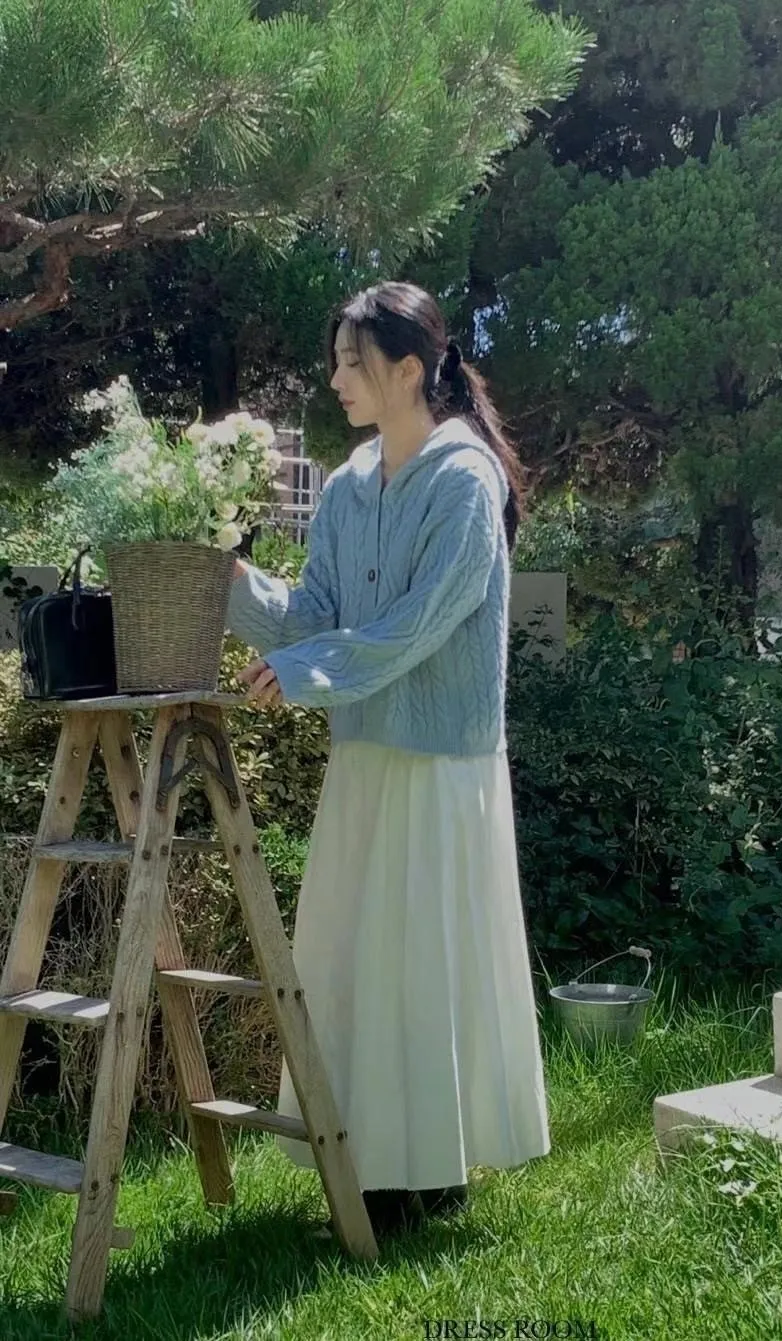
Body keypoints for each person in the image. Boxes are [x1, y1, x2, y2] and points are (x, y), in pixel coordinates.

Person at [225, 280, 551, 1235]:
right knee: (358, 967)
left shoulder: (466, 480)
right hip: (365, 754)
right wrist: (229, 580)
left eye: (352, 362)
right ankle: (371, 1162)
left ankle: (431, 1172)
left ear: (410, 370)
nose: (336, 379)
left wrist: (305, 671)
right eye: (335, 360)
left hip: (441, 766)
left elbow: (416, 627)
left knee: (424, 969)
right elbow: (316, 614)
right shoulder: (347, 484)